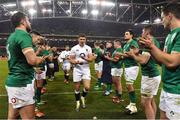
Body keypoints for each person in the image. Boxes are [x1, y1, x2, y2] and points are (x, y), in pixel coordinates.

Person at [139, 2, 180, 119]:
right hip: (167, 87)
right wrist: (150, 49)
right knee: (163, 117)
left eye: (162, 18)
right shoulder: (170, 35)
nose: (161, 21)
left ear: (170, 16)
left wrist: (152, 47)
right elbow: (162, 61)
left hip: (176, 90)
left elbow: (173, 62)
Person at [5, 12, 46, 119]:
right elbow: (32, 60)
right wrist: (40, 59)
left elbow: (20, 60)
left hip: (14, 82)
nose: (30, 22)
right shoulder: (24, 35)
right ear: (23, 21)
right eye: (28, 20)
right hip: (22, 83)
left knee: (13, 117)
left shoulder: (12, 36)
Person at [126, 25, 161, 119]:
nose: (141, 34)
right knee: (151, 101)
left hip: (150, 76)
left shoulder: (151, 42)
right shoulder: (152, 42)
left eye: (143, 32)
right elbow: (146, 56)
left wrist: (133, 54)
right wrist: (137, 52)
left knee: (145, 103)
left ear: (147, 33)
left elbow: (143, 61)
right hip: (152, 75)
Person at [69, 33, 95, 112]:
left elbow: (91, 60)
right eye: (81, 39)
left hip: (86, 69)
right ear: (78, 39)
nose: (82, 41)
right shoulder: (74, 48)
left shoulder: (88, 48)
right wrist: (76, 62)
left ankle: (83, 97)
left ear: (85, 40)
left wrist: (84, 59)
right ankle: (77, 102)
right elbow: (71, 60)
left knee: (87, 87)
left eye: (84, 39)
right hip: (77, 69)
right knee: (77, 87)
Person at [122, 29, 139, 114]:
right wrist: (122, 55)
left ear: (131, 35)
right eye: (125, 34)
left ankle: (133, 106)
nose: (125, 35)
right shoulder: (126, 45)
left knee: (129, 85)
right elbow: (126, 54)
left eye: (127, 34)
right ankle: (131, 103)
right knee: (128, 85)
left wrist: (123, 54)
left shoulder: (133, 42)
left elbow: (135, 52)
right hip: (127, 66)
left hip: (132, 66)